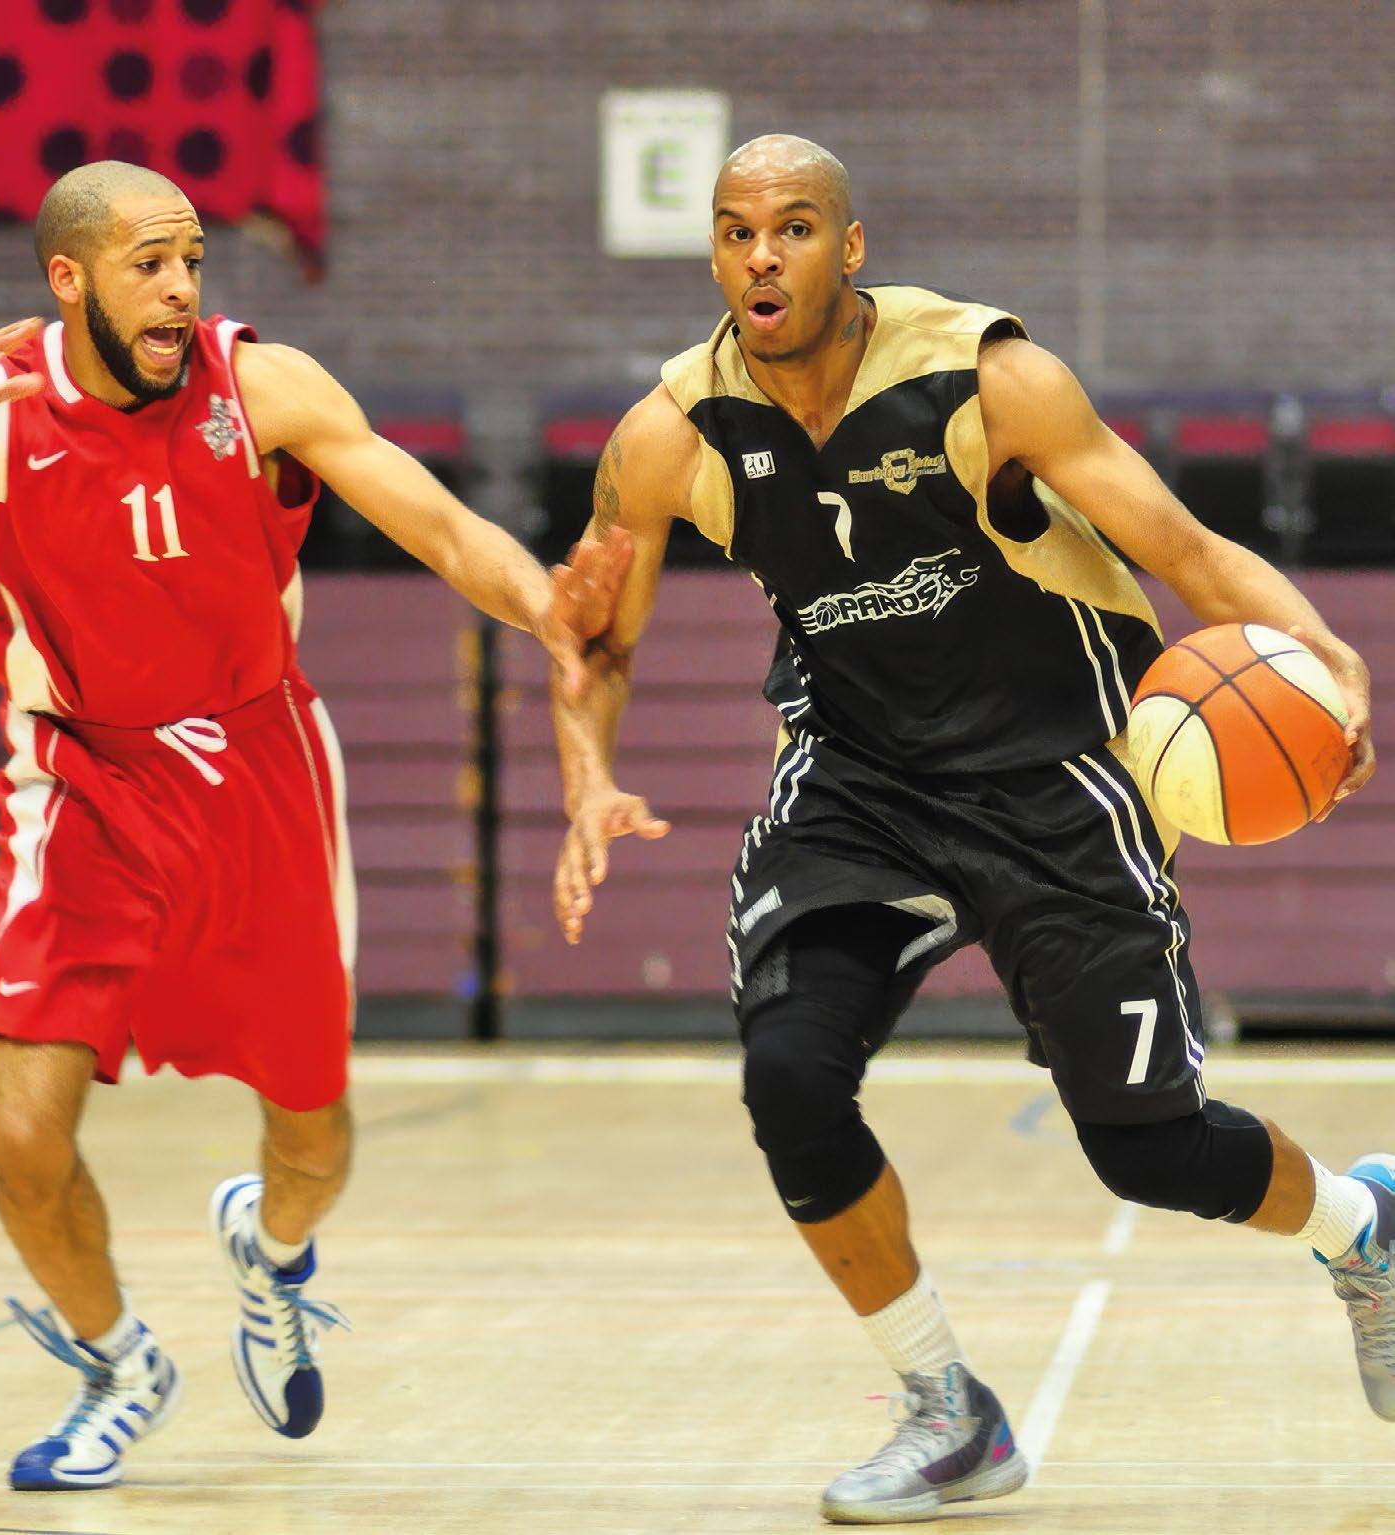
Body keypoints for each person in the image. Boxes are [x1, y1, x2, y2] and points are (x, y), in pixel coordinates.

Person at [550, 133, 1386, 1524]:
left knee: (1153, 1151)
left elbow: (1184, 551)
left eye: (794, 227)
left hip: (1061, 784)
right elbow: (595, 639)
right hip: (861, 788)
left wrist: (1325, 653)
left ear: (849, 247)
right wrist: (587, 776)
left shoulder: (988, 380)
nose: (763, 255)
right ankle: (948, 1410)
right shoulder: (673, 433)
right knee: (791, 1077)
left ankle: (1364, 1228)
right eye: (738, 231)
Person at [0, 160, 627, 1492]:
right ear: (68, 280)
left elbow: (443, 528)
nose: (181, 288)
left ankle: (272, 1256)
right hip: (83, 780)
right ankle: (119, 1367)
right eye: (149, 265)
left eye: (191, 261)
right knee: (17, 1129)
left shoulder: (261, 389)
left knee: (313, 1140)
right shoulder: (2, 415)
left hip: (260, 776)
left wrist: (549, 611)